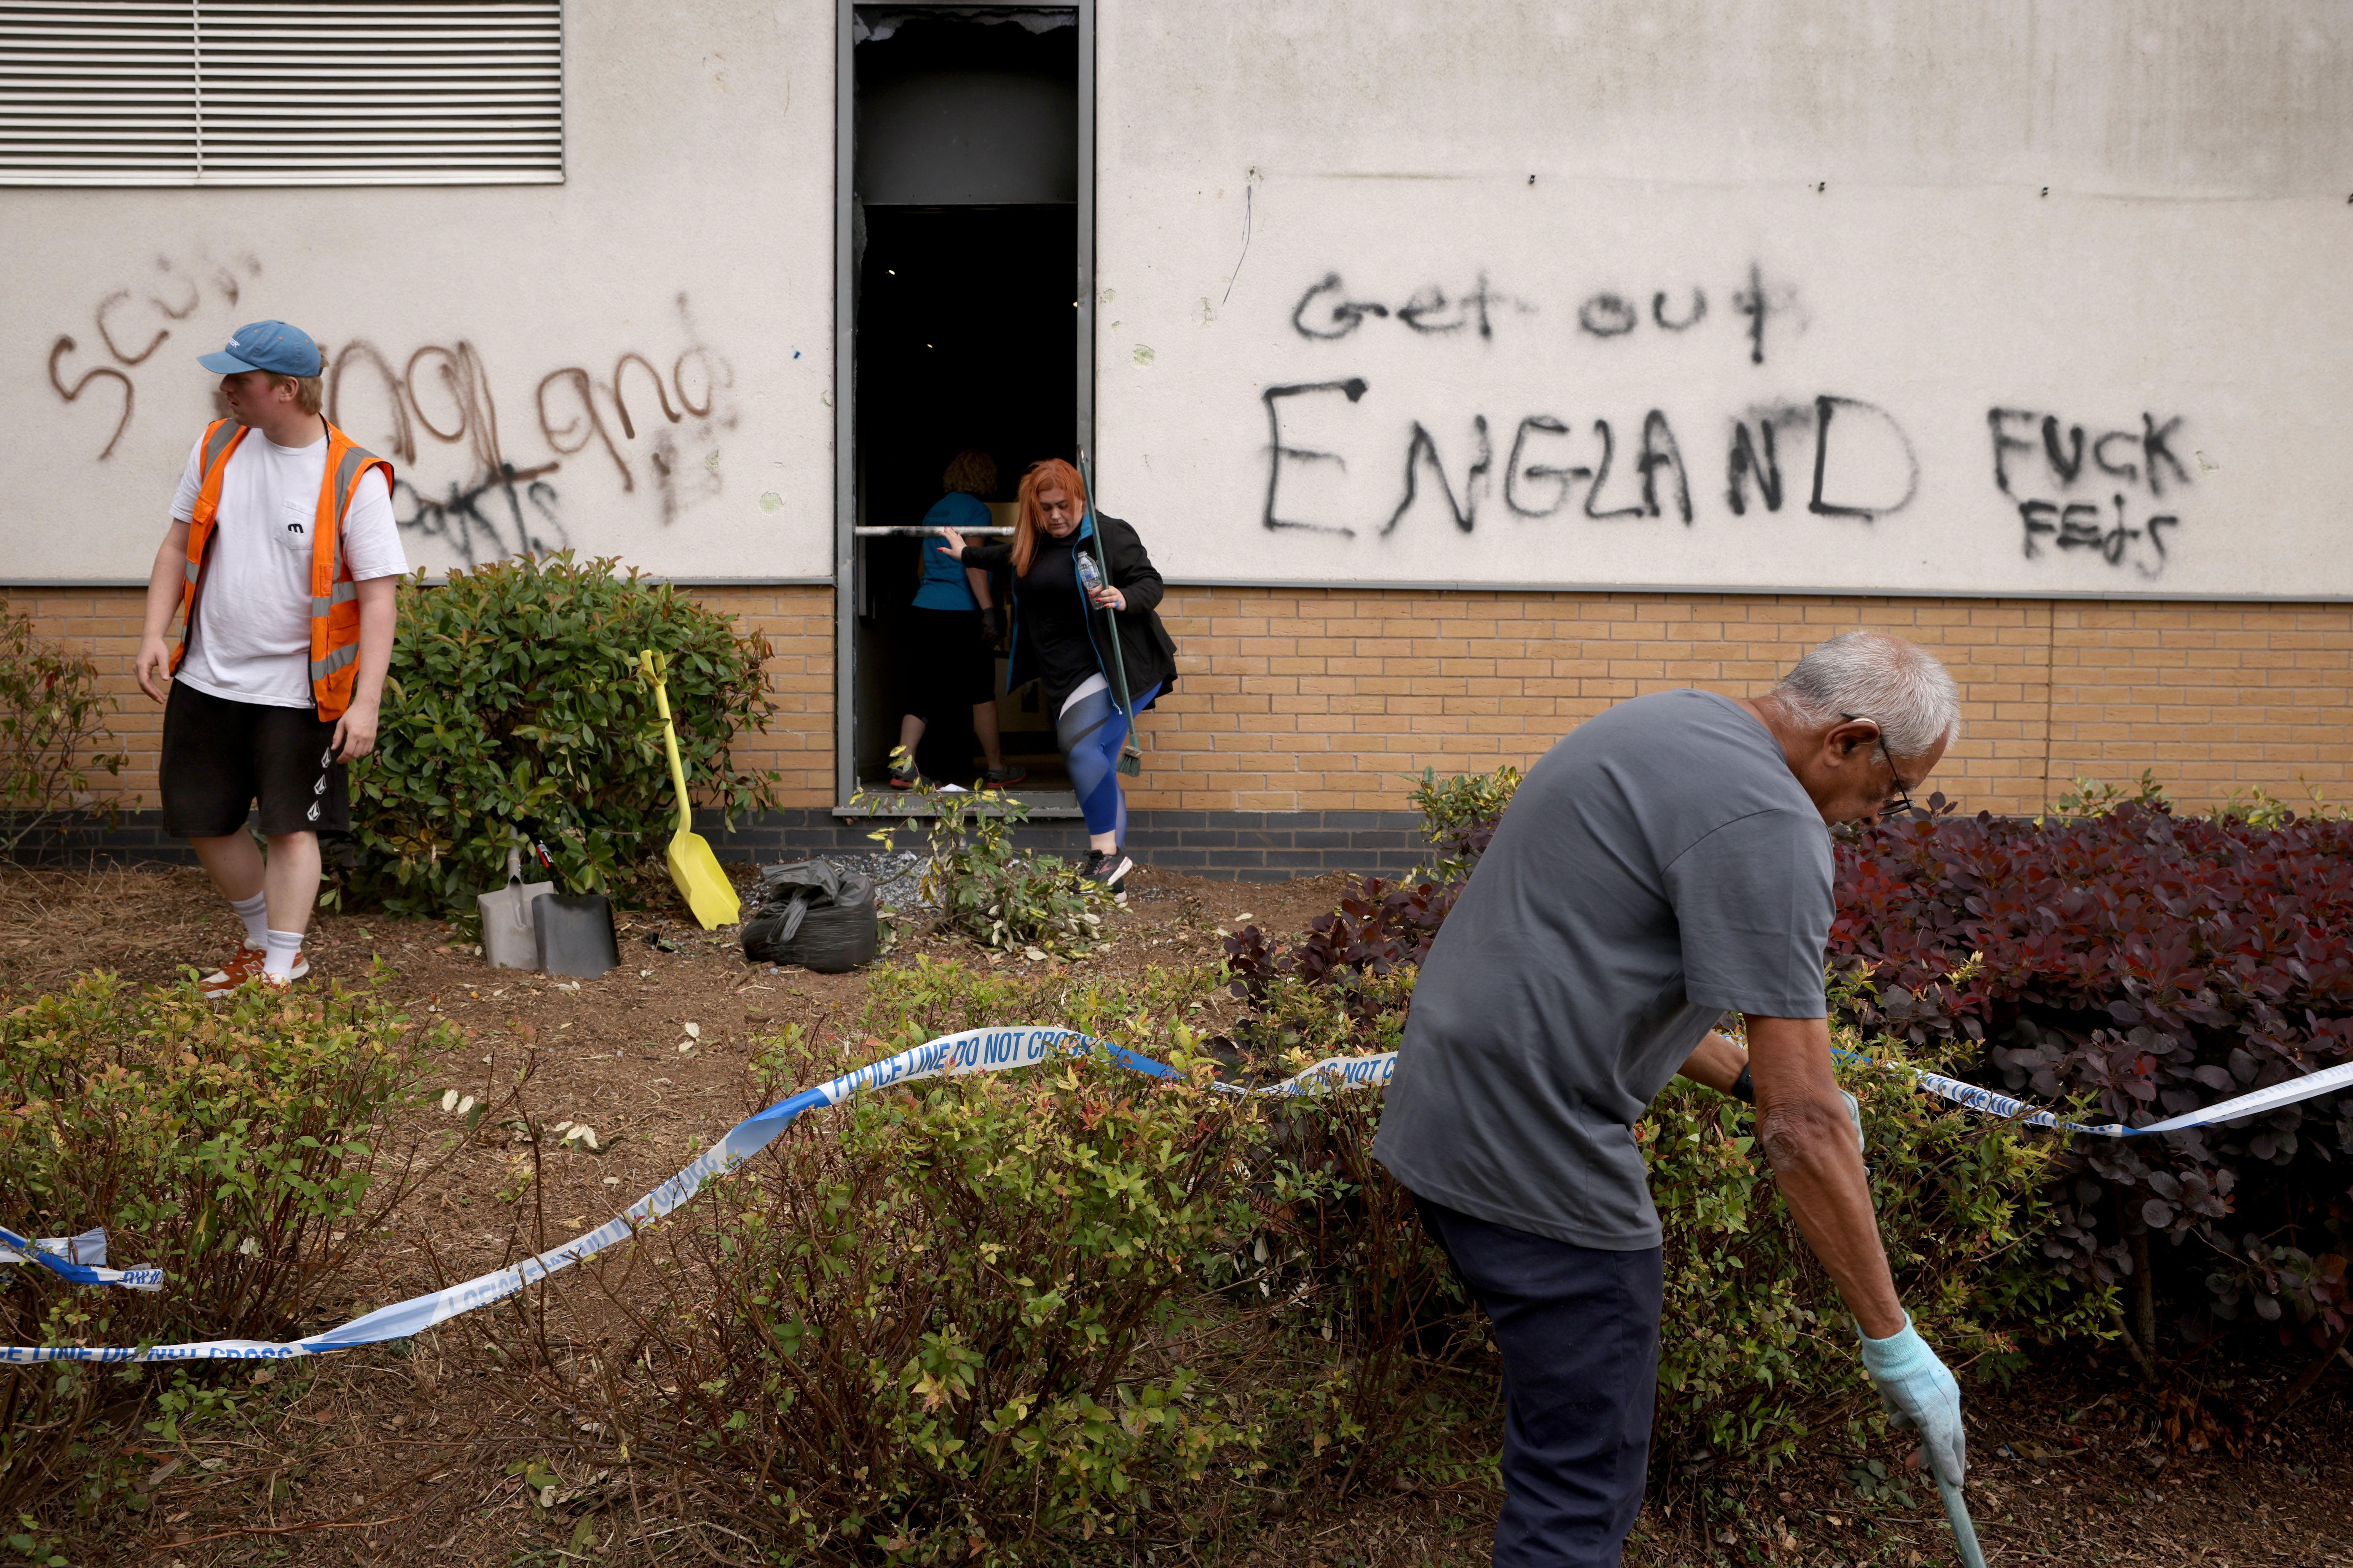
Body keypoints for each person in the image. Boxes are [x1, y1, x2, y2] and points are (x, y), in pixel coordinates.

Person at [1372, 631, 1967, 1568]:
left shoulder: (1668, 722)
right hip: (1541, 1165)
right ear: (1846, 740)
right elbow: (1801, 1127)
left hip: (1439, 1123)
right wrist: (1891, 1338)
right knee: (1575, 1496)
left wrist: (1744, 1075)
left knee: (1555, 1458)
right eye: (1890, 792)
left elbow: (1584, 954)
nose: (1874, 815)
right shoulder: (1770, 822)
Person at [132, 320, 406, 997]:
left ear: (287, 389)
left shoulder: (353, 477)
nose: (225, 389)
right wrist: (151, 634)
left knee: (290, 830)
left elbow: (379, 599)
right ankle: (264, 941)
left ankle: (279, 972)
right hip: (206, 676)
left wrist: (365, 701)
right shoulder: (217, 445)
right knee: (202, 820)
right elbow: (175, 547)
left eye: (240, 379)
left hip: (300, 690)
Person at [936, 458, 1176, 890]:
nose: (1055, 516)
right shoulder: (1037, 540)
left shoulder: (1107, 536)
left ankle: (1104, 855)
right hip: (1064, 671)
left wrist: (1124, 596)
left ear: (1079, 498)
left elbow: (1150, 581)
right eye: (1045, 508)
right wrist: (965, 553)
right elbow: (1004, 556)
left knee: (1077, 747)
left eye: (1063, 505)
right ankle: (1111, 882)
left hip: (1119, 664)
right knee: (1096, 761)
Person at [891, 449, 1024, 789]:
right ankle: (996, 769)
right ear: (984, 477)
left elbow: (921, 568)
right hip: (962, 612)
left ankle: (904, 767)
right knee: (980, 690)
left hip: (925, 609)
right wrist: (990, 612)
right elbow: (973, 560)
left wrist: (934, 592)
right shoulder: (977, 510)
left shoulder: (934, 511)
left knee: (920, 690)